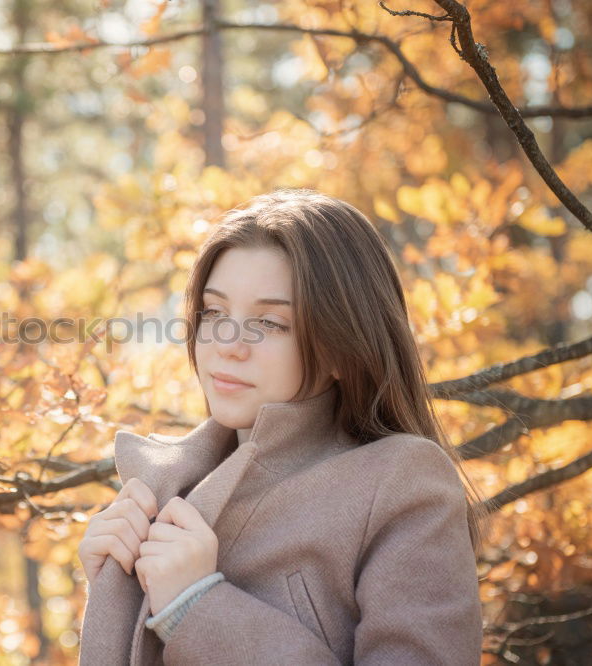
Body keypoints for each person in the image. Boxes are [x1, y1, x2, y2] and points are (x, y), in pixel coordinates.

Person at [76, 189, 491, 665]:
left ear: (342, 347)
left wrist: (195, 606)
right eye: (213, 312)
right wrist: (112, 592)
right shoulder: (160, 489)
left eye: (270, 323)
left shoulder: (401, 481)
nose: (227, 343)